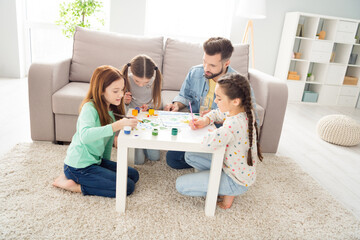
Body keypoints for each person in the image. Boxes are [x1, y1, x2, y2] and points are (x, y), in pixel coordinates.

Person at [164, 37, 258, 169]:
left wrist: (219, 118)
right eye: (204, 62)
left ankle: (221, 163)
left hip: (222, 134)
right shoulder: (195, 72)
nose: (206, 68)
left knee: (196, 155)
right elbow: (184, 96)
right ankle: (212, 161)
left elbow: (250, 117)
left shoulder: (239, 84)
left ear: (226, 63)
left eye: (212, 65)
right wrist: (176, 105)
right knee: (172, 160)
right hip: (198, 127)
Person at [176, 73, 263, 209]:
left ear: (235, 101)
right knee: (190, 155)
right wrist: (205, 120)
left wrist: (215, 133)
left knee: (180, 185)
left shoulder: (233, 125)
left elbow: (207, 143)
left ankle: (226, 192)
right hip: (233, 167)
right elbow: (217, 113)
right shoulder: (241, 110)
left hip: (236, 181)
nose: (215, 101)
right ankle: (220, 187)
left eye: (219, 98)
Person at [53, 65, 139, 198]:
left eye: (122, 90)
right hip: (79, 166)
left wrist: (105, 166)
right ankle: (73, 186)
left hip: (95, 161)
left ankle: (89, 178)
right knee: (127, 186)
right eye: (116, 91)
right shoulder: (89, 108)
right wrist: (116, 126)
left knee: (133, 175)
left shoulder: (110, 111)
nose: (121, 95)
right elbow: (85, 136)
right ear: (101, 91)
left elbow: (107, 141)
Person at [114, 55, 162, 165]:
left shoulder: (154, 82)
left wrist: (149, 108)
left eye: (145, 82)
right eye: (137, 81)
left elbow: (158, 106)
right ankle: (137, 145)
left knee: (155, 157)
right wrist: (125, 102)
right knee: (138, 161)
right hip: (131, 123)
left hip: (147, 123)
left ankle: (142, 144)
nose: (141, 85)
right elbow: (117, 111)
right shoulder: (125, 81)